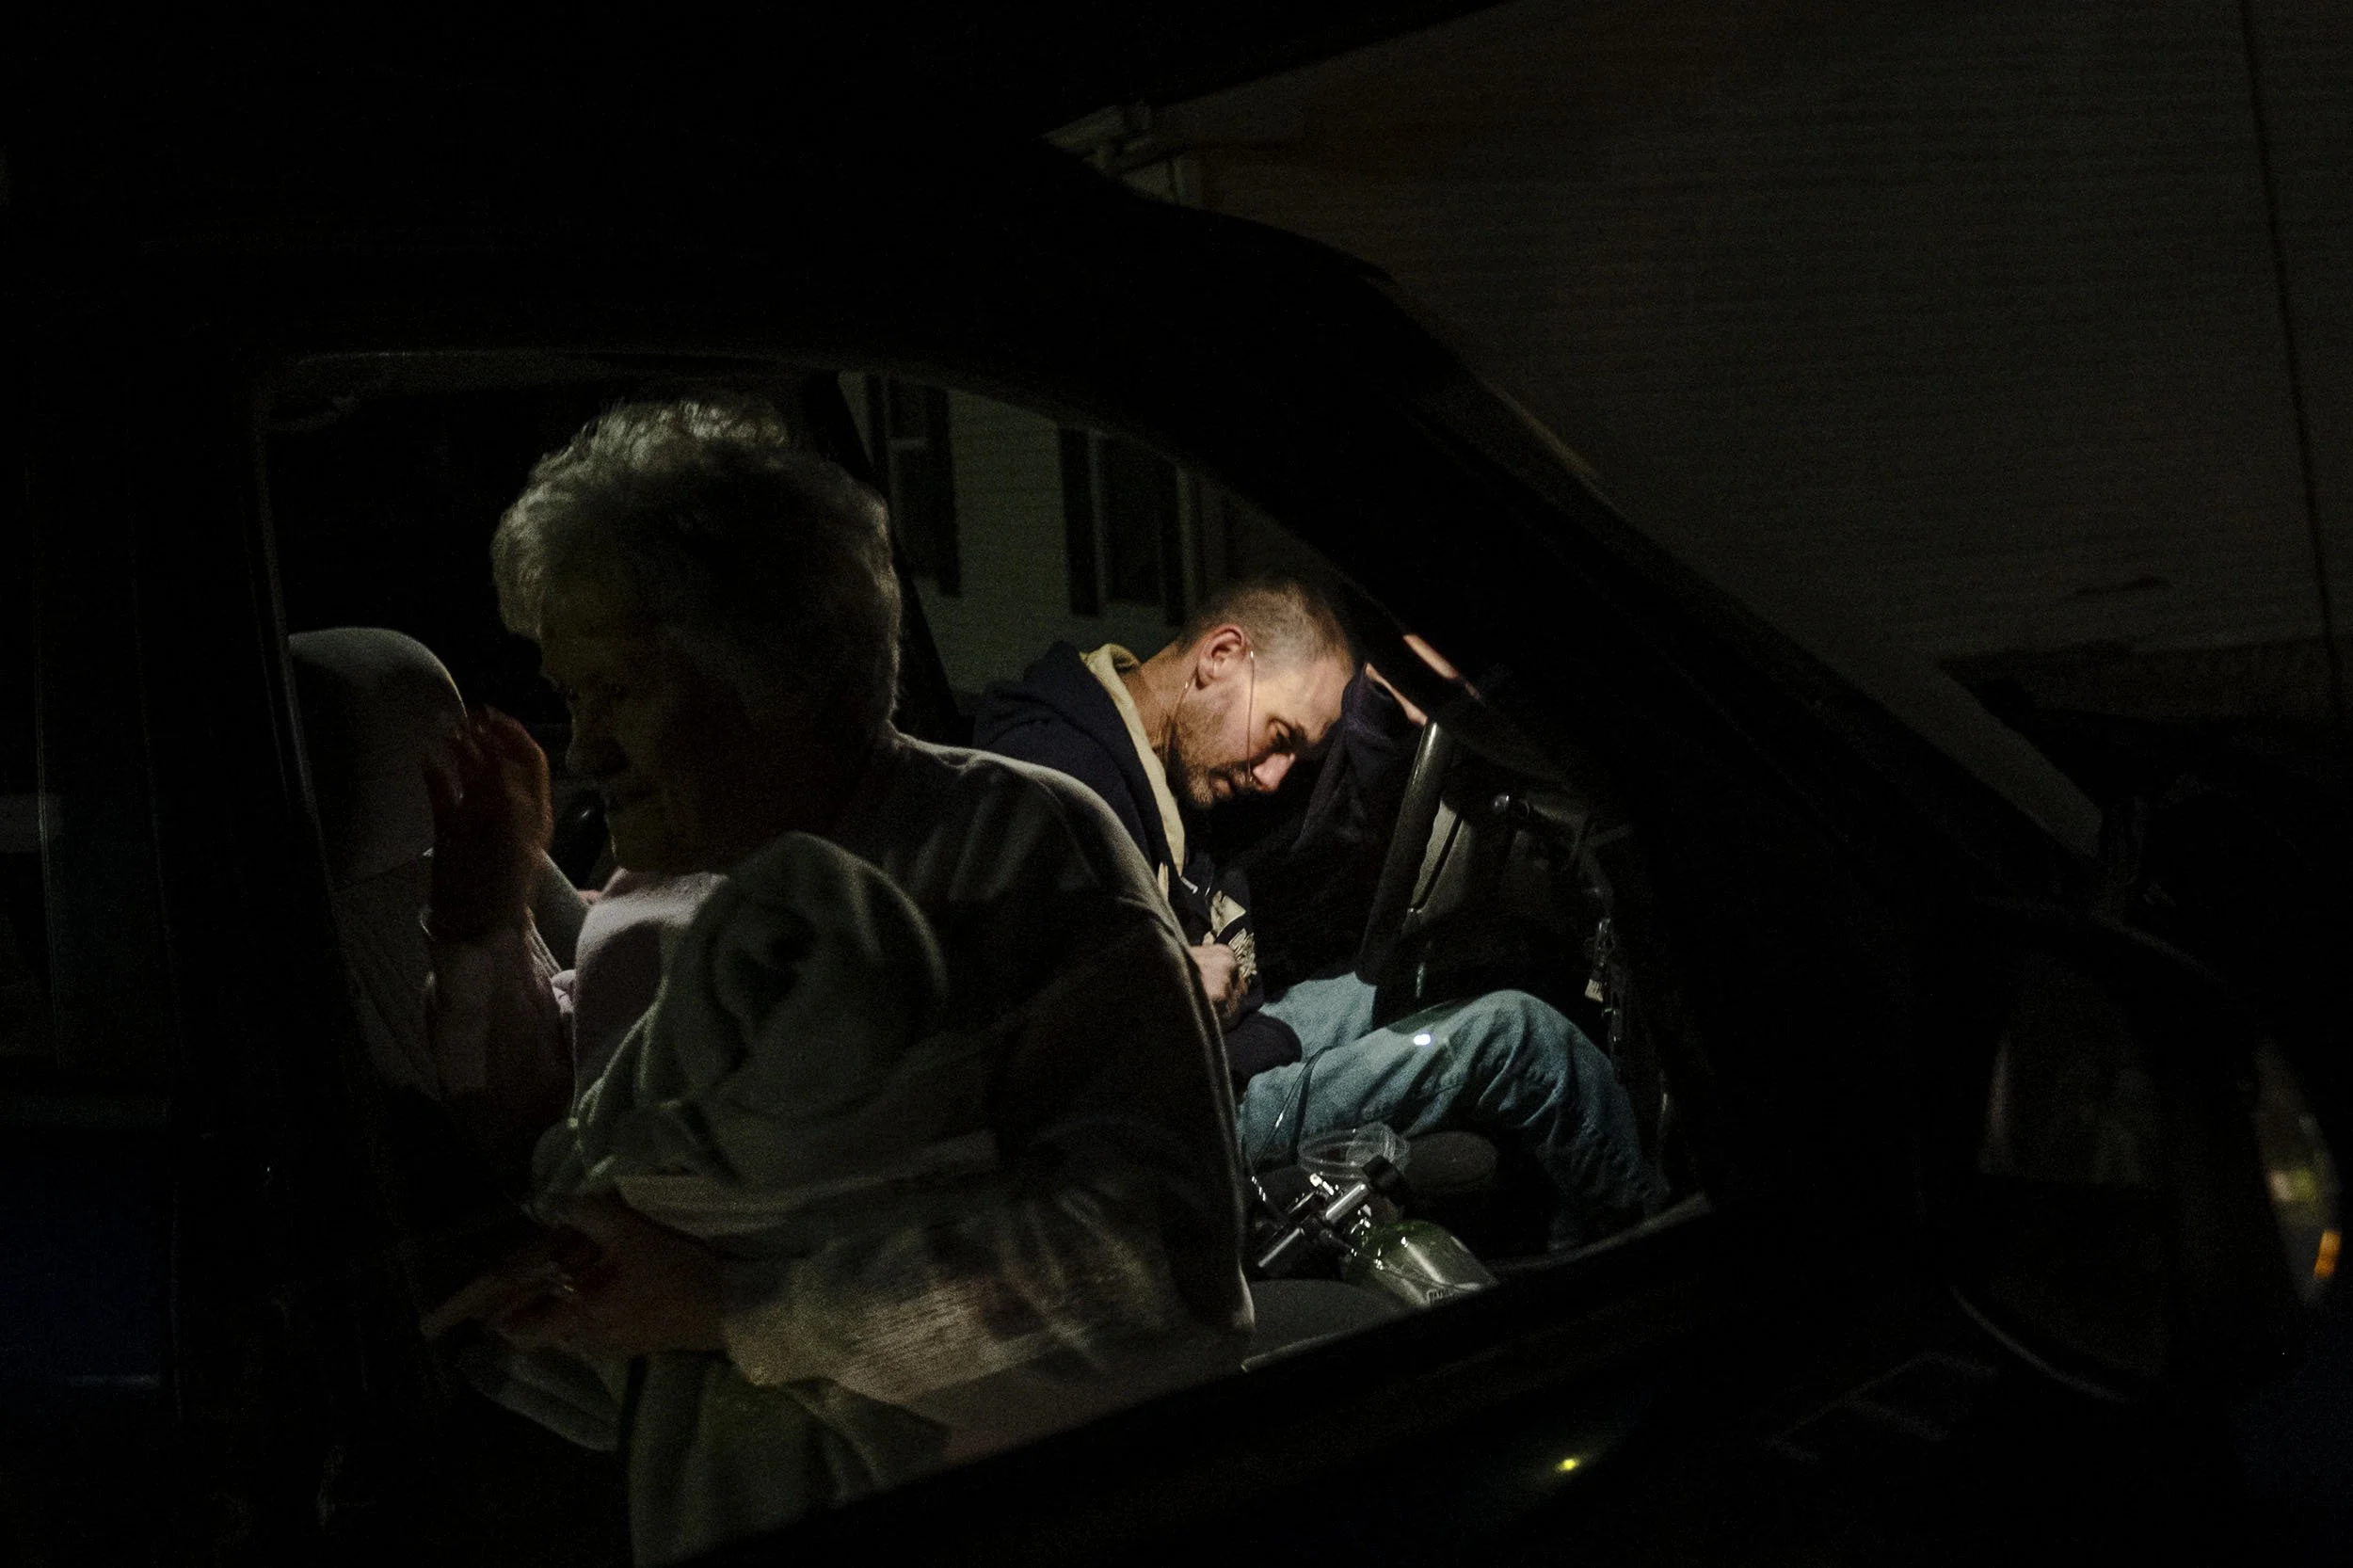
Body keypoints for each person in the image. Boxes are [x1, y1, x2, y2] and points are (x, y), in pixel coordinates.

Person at [417, 396, 1247, 1565]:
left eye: (617, 690)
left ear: (779, 666)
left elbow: (1155, 1266)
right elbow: (560, 1140)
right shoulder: (649, 883)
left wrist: (732, 1309)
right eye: (569, 695)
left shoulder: (1011, 851)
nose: (583, 746)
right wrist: (480, 927)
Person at [971, 578, 1658, 1252]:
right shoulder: (1055, 778)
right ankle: (1656, 1248)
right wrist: (1157, 979)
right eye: (1278, 735)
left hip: (1232, 1039)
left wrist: (1383, 704)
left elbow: (1317, 837)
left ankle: (1569, 1246)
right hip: (1185, 1116)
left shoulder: (1154, 755)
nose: (1273, 775)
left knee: (1431, 978)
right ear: (1221, 657)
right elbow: (1010, 1028)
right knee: (1519, 1038)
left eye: (1294, 753)